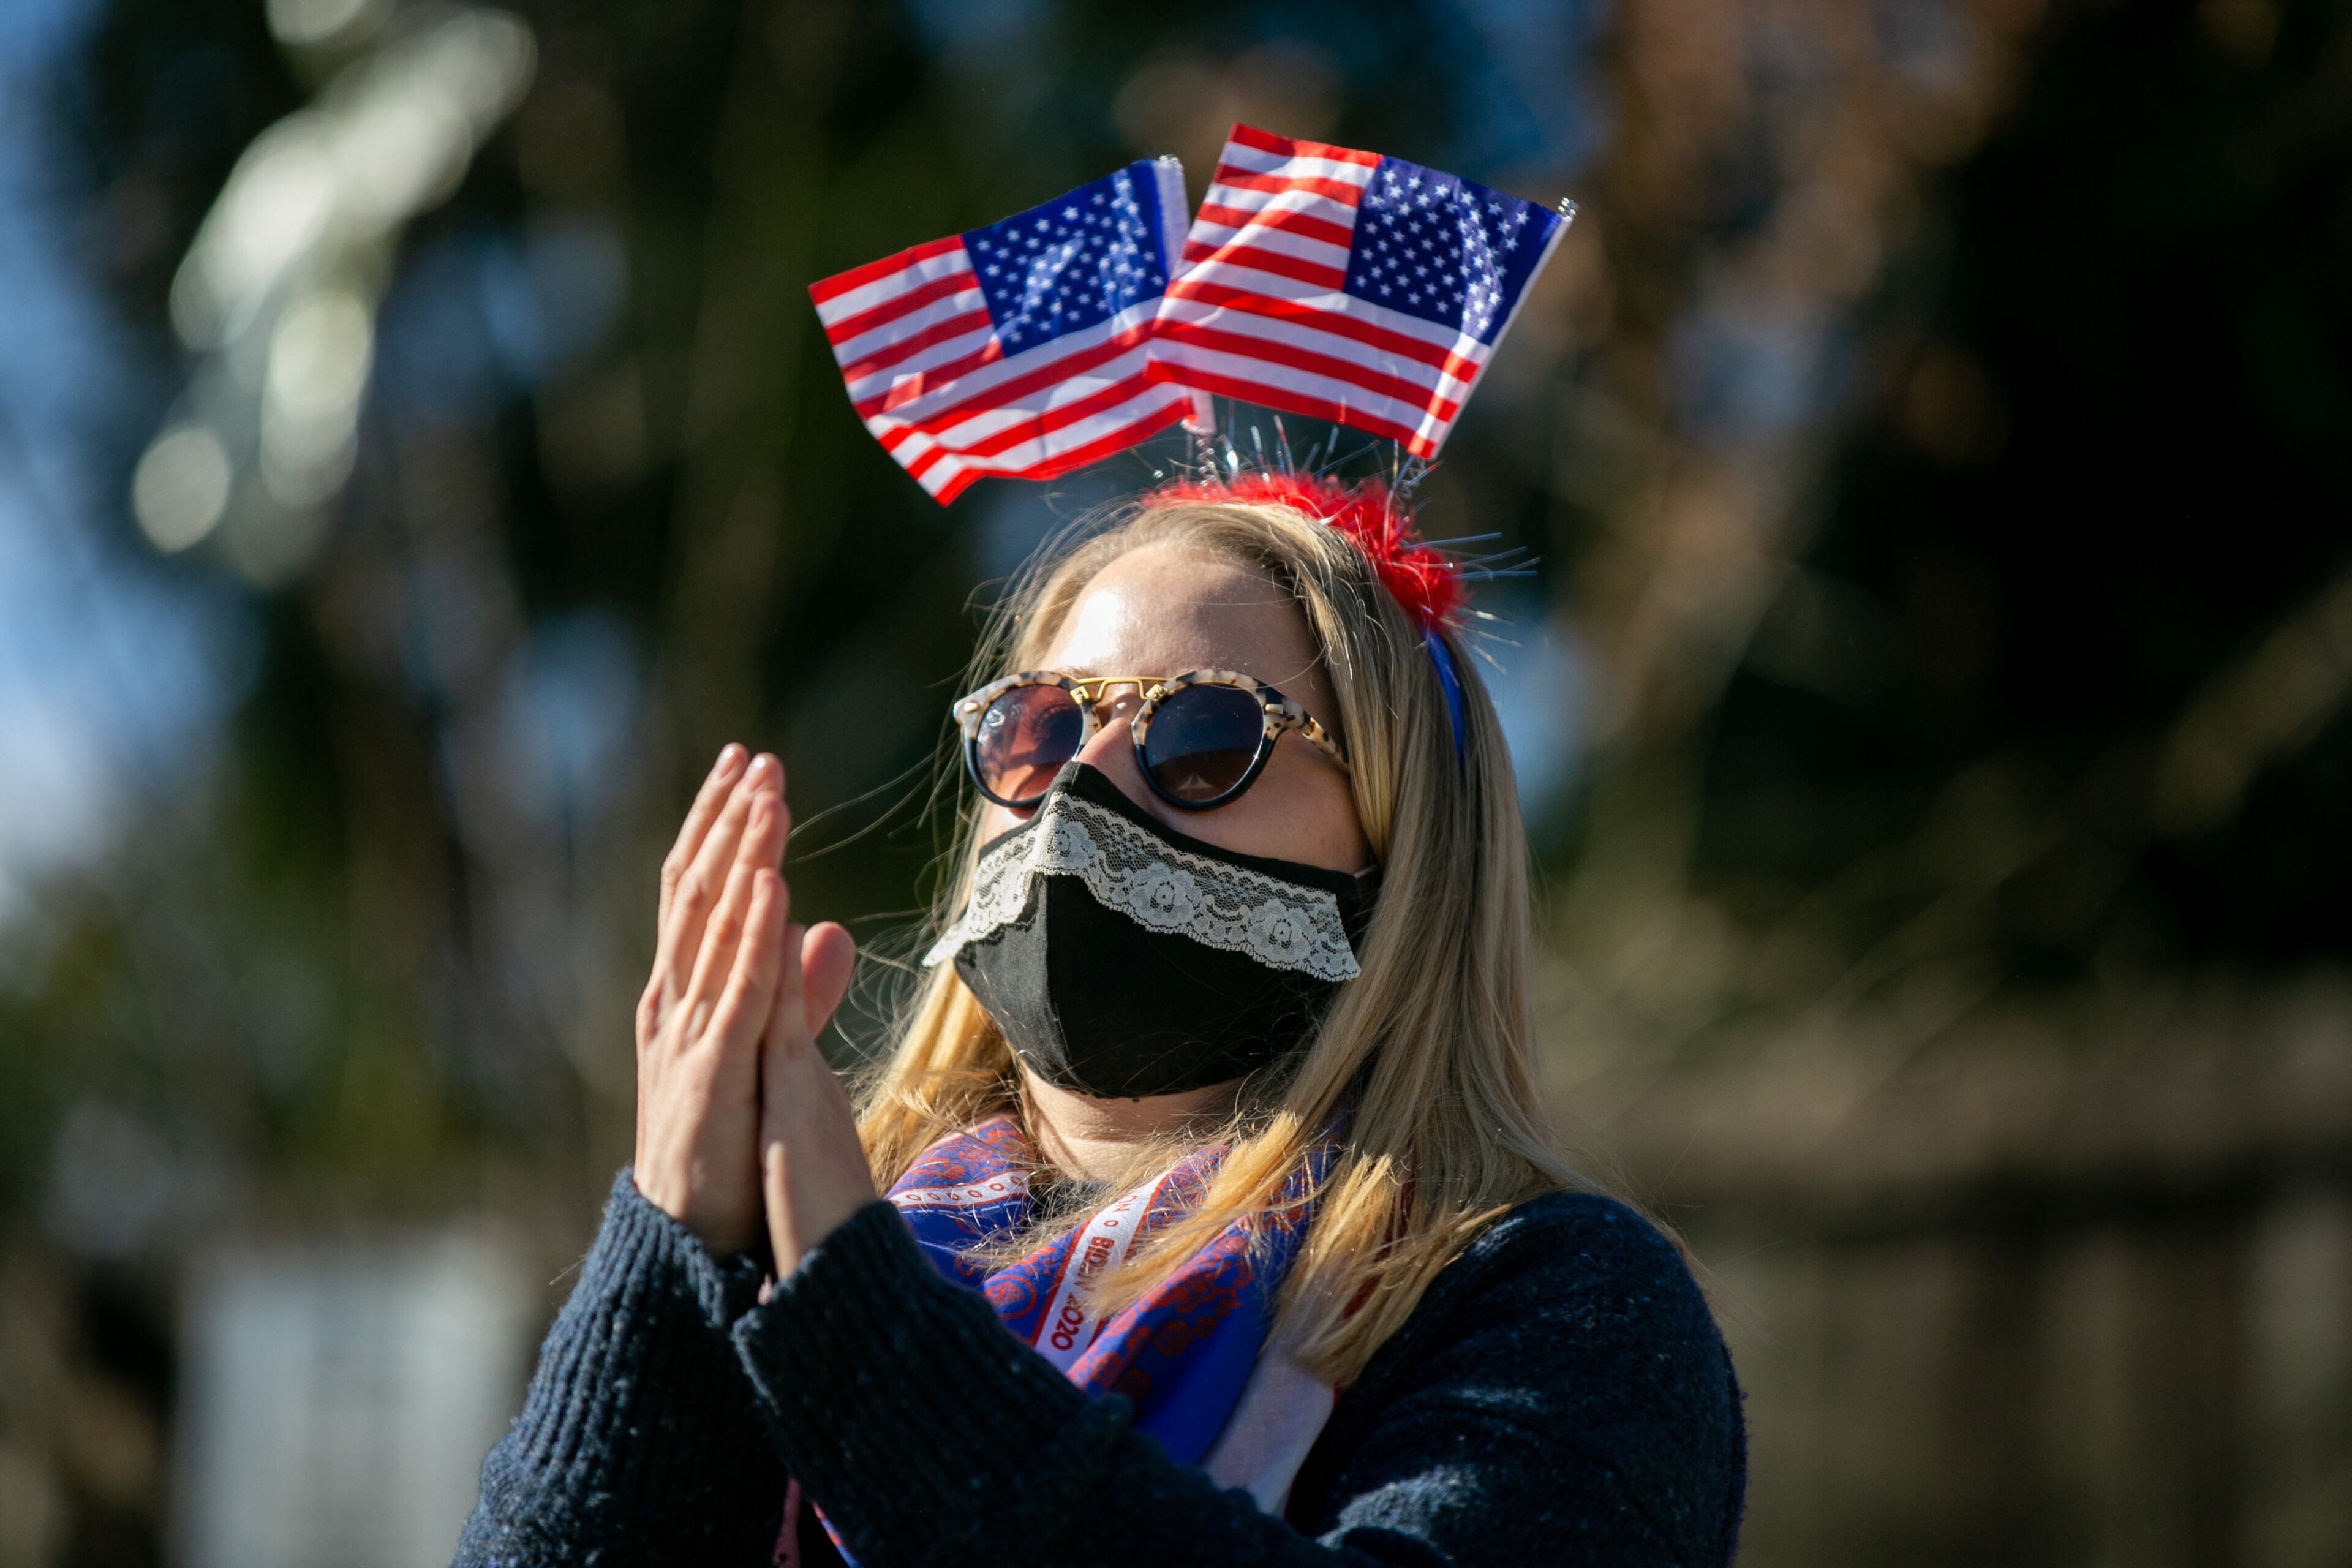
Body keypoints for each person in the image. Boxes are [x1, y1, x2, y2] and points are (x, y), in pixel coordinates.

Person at [453, 475, 1746, 1567]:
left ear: (1402, 850)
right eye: (1037, 728)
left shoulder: (1564, 1303)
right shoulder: (801, 1269)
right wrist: (675, 1250)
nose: (1083, 781)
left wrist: (881, 1358)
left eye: (1200, 734)